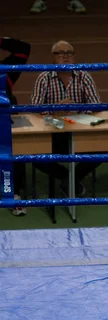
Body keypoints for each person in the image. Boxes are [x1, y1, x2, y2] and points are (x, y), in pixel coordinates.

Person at [30, 40, 102, 196]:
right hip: (53, 133)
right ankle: (69, 179)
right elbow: (35, 107)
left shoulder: (84, 76)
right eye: (60, 53)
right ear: (53, 57)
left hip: (80, 131)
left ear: (74, 56)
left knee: (102, 150)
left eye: (69, 53)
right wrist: (55, 110)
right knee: (35, 156)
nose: (65, 57)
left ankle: (69, 180)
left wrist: (78, 109)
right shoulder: (44, 78)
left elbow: (96, 105)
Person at [1, 36, 31, 216]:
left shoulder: (6, 71)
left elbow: (24, 48)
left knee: (17, 146)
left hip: (5, 125)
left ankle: (14, 193)